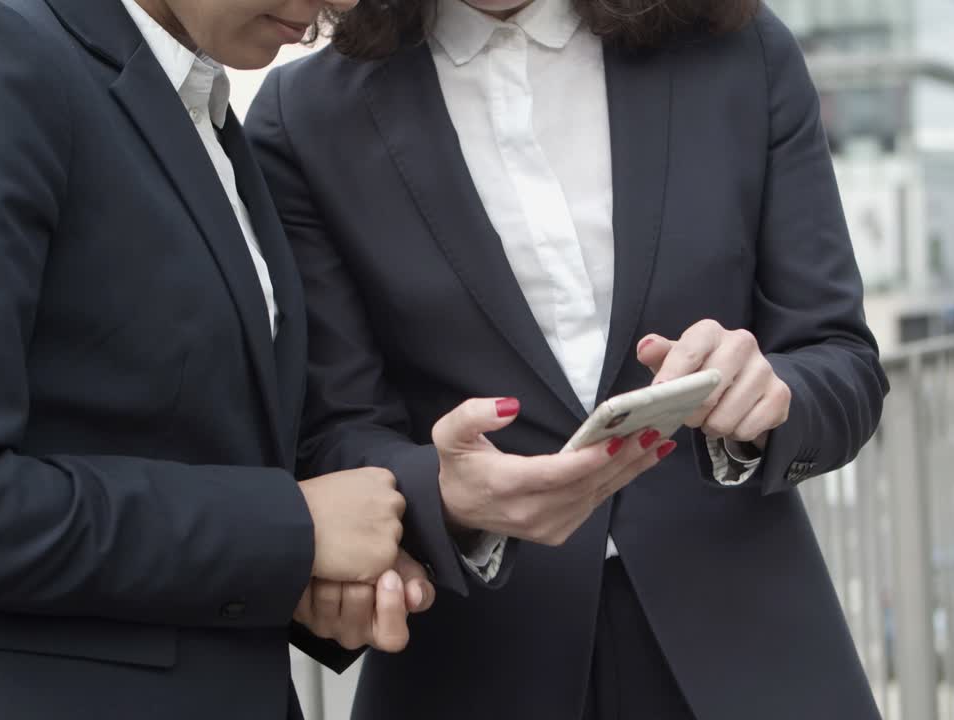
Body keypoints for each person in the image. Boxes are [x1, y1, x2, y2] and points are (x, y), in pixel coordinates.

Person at [0, 0, 477, 716]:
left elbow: (203, 445)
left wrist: (313, 573)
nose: (344, 4)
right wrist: (289, 530)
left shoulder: (200, 111)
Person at [245, 0, 891, 716]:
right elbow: (334, 433)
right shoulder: (301, 118)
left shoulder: (739, 48)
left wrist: (773, 398)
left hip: (751, 655)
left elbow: (842, 359)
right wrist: (444, 490)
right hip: (474, 666)